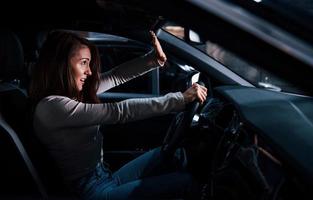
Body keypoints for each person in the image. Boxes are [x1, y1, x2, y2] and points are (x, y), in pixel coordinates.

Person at [29, 30, 207, 200]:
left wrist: (154, 60)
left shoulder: (73, 95)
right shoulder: (52, 107)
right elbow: (119, 112)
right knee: (186, 183)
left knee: (172, 154)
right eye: (84, 62)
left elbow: (115, 76)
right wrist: (181, 99)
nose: (89, 71)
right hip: (92, 192)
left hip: (104, 176)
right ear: (61, 64)